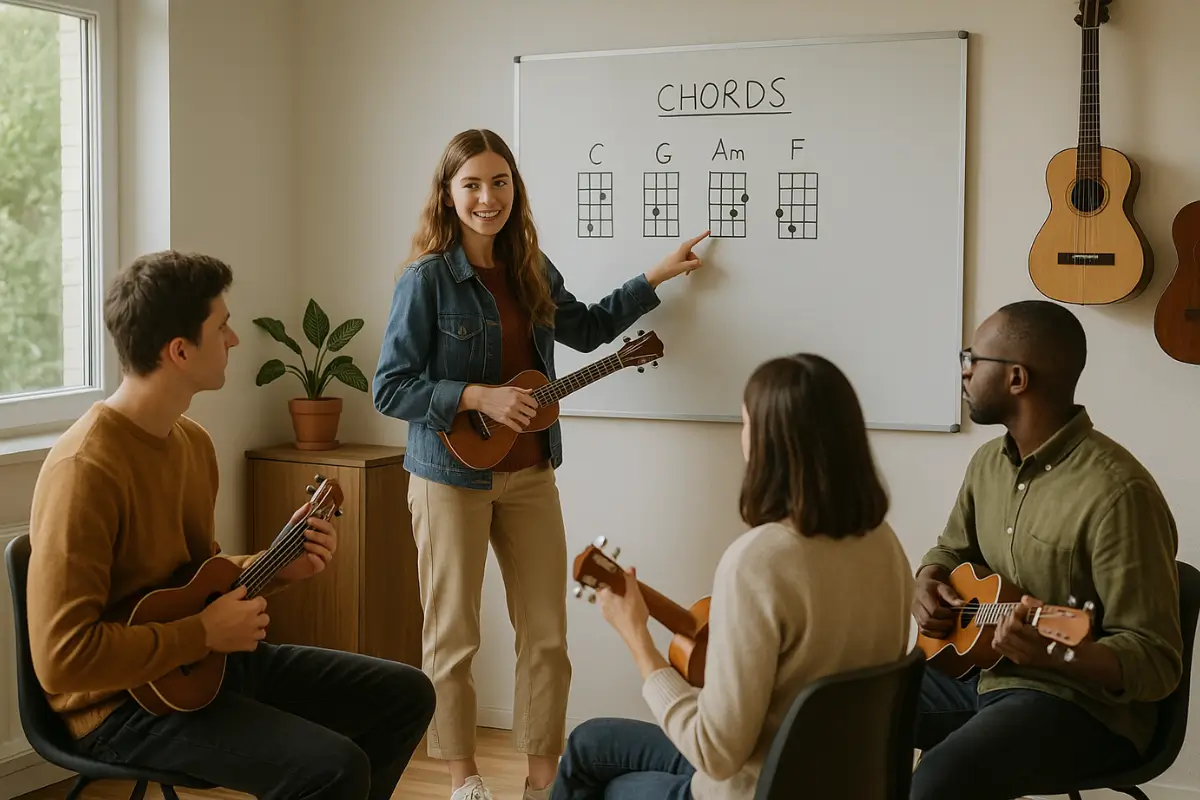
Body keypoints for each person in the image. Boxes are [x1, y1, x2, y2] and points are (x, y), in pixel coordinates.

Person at [372, 128, 709, 800]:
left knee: (548, 636)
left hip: (530, 475)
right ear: (447, 193)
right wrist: (475, 396)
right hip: (447, 479)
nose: (487, 197)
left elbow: (584, 327)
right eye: (471, 184)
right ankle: (463, 779)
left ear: (514, 190)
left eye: (499, 182)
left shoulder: (531, 265)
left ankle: (541, 780)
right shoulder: (426, 279)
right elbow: (390, 387)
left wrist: (655, 278)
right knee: (454, 637)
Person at [27, 250, 436, 800]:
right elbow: (61, 662)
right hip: (117, 708)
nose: (235, 339)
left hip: (205, 666)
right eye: (222, 326)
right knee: (334, 768)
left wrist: (278, 564)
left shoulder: (191, 442)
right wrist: (201, 633)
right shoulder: (85, 468)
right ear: (179, 351)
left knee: (406, 693)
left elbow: (197, 581)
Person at [550, 353, 915, 800]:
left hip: (759, 789)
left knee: (605, 779)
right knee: (589, 742)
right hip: (847, 784)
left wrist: (638, 640)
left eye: (745, 425)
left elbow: (716, 753)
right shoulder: (885, 543)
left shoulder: (759, 561)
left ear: (769, 443)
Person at [911, 300, 1183, 800]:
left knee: (939, 779)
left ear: (1017, 379)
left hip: (1079, 704)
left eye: (972, 359)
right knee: (846, 714)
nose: (964, 373)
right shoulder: (987, 464)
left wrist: (1058, 653)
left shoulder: (1119, 494)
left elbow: (1156, 660)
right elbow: (950, 550)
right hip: (981, 673)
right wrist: (926, 581)